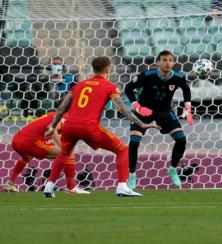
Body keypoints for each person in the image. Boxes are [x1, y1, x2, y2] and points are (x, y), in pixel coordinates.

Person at [43, 56, 158, 198]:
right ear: (108, 69)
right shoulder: (109, 87)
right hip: (89, 127)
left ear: (93, 69)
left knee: (64, 153)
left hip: (70, 126)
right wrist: (141, 123)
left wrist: (52, 125)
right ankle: (122, 186)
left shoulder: (79, 85)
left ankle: (49, 186)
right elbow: (123, 108)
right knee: (122, 150)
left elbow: (62, 107)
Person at [124, 51, 193, 189]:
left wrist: (188, 109)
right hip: (144, 110)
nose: (168, 62)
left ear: (173, 63)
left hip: (164, 111)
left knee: (181, 139)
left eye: (170, 60)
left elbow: (186, 90)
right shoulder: (147, 75)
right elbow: (128, 89)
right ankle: (131, 175)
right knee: (133, 143)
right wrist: (137, 107)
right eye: (164, 60)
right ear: (158, 62)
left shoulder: (178, 78)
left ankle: (172, 169)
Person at [3, 112, 88, 194]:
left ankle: (10, 183)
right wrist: (62, 146)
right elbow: (52, 129)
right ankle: (71, 187)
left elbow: (45, 130)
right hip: (31, 142)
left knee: (27, 157)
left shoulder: (51, 115)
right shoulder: (66, 119)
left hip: (17, 140)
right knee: (69, 152)